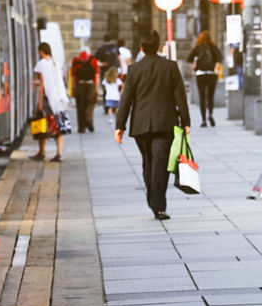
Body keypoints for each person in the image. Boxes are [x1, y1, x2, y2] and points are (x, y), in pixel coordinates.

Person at [115, 30, 191, 220]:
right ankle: (158, 205)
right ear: (158, 47)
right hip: (165, 123)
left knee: (149, 162)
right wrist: (186, 121)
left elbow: (126, 100)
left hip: (141, 125)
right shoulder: (170, 67)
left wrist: (120, 126)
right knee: (160, 163)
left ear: (141, 48)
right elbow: (180, 96)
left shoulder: (134, 70)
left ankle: (154, 200)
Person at [32, 42, 70, 162]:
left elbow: (43, 83)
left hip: (47, 98)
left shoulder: (41, 64)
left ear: (41, 51)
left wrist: (39, 103)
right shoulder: (56, 63)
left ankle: (42, 152)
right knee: (59, 125)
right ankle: (59, 153)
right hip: (59, 99)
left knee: (43, 123)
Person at [186, 30, 222, 127]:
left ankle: (204, 120)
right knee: (210, 96)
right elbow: (220, 58)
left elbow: (189, 59)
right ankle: (210, 114)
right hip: (211, 74)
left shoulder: (197, 48)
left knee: (202, 97)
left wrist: (193, 68)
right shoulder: (213, 47)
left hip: (200, 74)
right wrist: (216, 68)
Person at [69, 48, 100, 133]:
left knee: (80, 106)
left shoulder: (76, 60)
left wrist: (73, 88)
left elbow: (73, 76)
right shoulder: (93, 59)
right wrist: (96, 88)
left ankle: (81, 128)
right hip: (91, 85)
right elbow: (96, 75)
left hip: (80, 85)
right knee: (90, 104)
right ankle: (88, 118)